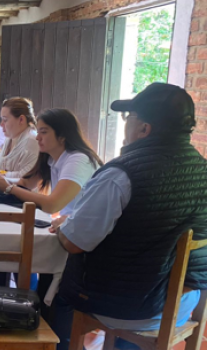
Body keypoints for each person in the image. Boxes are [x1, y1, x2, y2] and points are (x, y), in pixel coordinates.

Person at [48, 83, 207, 350]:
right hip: (183, 301)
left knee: (57, 294)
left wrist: (66, 225)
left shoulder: (121, 175)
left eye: (128, 117)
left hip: (129, 308)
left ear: (144, 129)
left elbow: (75, 242)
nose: (125, 124)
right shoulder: (202, 170)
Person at [0, 108, 102, 216]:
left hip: (83, 231)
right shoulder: (51, 158)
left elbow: (52, 205)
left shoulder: (78, 160)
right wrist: (0, 180)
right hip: (69, 223)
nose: (37, 137)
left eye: (44, 132)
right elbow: (27, 183)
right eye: (38, 132)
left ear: (62, 135)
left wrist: (9, 188)